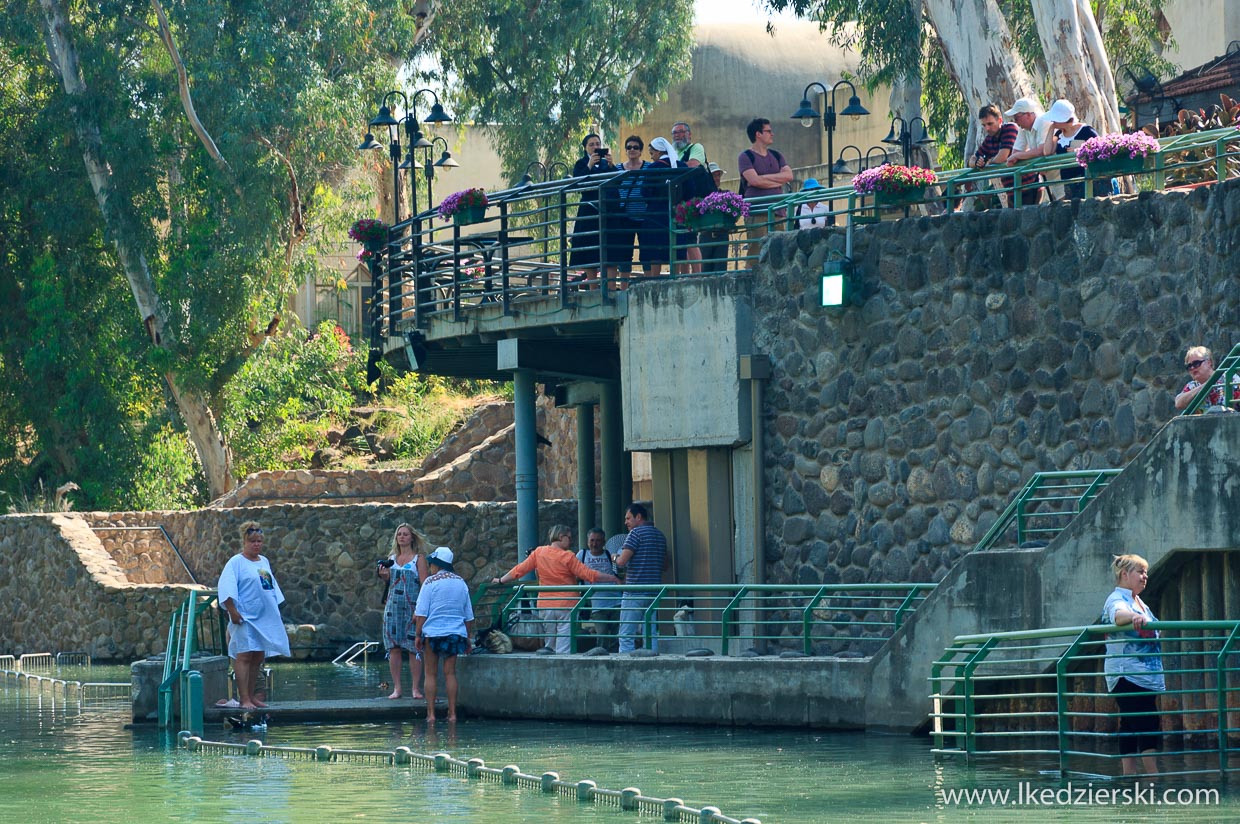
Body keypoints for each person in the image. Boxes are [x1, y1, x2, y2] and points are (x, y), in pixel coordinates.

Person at [491, 525, 619, 654]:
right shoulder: (568, 557)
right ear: (560, 537)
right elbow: (590, 575)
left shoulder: (539, 552)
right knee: (564, 645)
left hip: (546, 604)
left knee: (549, 644)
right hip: (567, 605)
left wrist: (501, 580)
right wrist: (613, 578)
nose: (570, 540)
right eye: (568, 537)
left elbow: (519, 570)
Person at [1102, 553, 1165, 775]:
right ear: (1124, 574)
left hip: (1144, 676)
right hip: (1128, 675)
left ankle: (1128, 777)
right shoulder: (1117, 599)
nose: (1145, 576)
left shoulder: (1140, 602)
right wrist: (1132, 618)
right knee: (1148, 722)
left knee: (1129, 724)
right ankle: (1153, 777)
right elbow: (1117, 615)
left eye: (1145, 572)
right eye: (1140, 571)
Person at [217, 521, 290, 709]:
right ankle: (244, 699)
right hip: (245, 617)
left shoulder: (264, 562)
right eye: (252, 541)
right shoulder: (236, 563)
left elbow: (269, 587)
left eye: (259, 541)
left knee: (258, 656)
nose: (256, 544)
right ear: (244, 541)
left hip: (263, 617)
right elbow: (226, 588)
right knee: (244, 656)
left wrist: (273, 611)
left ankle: (252, 696)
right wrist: (232, 611)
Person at [413, 547, 474, 723]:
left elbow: (421, 614)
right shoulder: (461, 582)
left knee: (430, 674)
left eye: (432, 563)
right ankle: (452, 714)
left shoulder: (430, 583)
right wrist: (467, 638)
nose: (430, 566)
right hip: (455, 633)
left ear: (437, 564)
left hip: (432, 634)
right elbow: (468, 615)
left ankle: (431, 715)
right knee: (450, 673)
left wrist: (418, 635)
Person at [376, 523, 430, 700]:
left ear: (412, 537)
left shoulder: (418, 559)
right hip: (393, 609)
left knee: (414, 648)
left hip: (412, 608)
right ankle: (397, 688)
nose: (402, 537)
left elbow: (425, 585)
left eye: (405, 534)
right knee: (394, 648)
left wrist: (421, 610)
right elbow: (389, 583)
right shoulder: (391, 558)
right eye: (399, 534)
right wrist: (385, 576)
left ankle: (415, 688)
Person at [616, 503, 670, 654]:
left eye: (628, 518)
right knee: (650, 633)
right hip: (654, 591)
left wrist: (614, 556)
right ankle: (651, 661)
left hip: (635, 590)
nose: (626, 522)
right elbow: (665, 565)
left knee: (626, 633)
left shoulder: (635, 534)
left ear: (638, 517)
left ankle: (625, 667)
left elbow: (621, 562)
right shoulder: (660, 535)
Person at [738, 118, 792, 259]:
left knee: (779, 250)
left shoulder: (776, 155)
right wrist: (777, 180)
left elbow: (789, 175)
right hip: (757, 212)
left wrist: (763, 179)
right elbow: (754, 180)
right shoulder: (745, 157)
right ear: (758, 134)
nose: (772, 134)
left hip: (778, 210)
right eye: (768, 131)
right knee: (757, 251)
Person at [568, 133, 618, 282]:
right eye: (592, 144)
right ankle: (592, 286)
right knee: (589, 248)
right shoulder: (581, 164)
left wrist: (611, 166)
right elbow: (578, 185)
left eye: (598, 144)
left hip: (607, 210)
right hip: (589, 209)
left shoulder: (605, 164)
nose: (596, 147)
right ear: (585, 148)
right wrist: (589, 166)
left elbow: (617, 183)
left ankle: (609, 285)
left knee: (608, 248)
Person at [1040, 99, 1100, 200]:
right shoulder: (1058, 135)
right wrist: (1051, 128)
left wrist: (1081, 150)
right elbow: (1047, 151)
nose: (1053, 121)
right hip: (1068, 182)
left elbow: (1100, 147)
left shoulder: (1086, 131)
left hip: (1086, 179)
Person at [608, 134, 648, 281]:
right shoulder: (617, 168)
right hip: (624, 217)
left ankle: (649, 282)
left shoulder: (649, 167)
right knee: (625, 254)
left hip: (645, 216)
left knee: (646, 251)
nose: (632, 150)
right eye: (629, 147)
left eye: (635, 147)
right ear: (625, 150)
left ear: (641, 150)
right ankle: (623, 287)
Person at [637, 137, 676, 277]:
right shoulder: (679, 165)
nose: (651, 157)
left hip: (655, 213)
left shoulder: (653, 168)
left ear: (659, 151)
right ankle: (676, 277)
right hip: (675, 213)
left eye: (652, 153)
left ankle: (655, 279)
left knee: (654, 250)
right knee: (675, 248)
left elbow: (645, 191)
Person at [576, 527, 621, 651]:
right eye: (592, 540)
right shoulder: (582, 555)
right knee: (602, 634)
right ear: (587, 541)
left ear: (604, 542)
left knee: (617, 636)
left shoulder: (609, 555)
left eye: (598, 540)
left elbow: (620, 571)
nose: (595, 544)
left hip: (616, 601)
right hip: (597, 604)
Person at [671, 121, 707, 273]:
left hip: (692, 200)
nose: (678, 136)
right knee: (681, 239)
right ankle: (684, 275)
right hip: (677, 200)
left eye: (681, 132)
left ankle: (698, 275)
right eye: (675, 133)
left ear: (689, 134)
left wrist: (675, 166)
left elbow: (693, 164)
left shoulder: (696, 148)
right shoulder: (672, 151)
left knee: (691, 238)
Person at [1001, 96, 1049, 205]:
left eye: (1017, 118)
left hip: (1059, 172)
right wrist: (1017, 156)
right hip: (1047, 175)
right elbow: (1015, 152)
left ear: (1028, 114)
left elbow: (1042, 150)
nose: (1015, 122)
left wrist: (1018, 156)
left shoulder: (1043, 121)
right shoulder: (1024, 129)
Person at [971, 104, 1018, 207]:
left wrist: (986, 163)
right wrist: (977, 163)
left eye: (990, 124)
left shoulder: (1010, 128)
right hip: (1011, 189)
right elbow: (971, 161)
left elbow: (1003, 157)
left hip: (1027, 185)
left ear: (1000, 120)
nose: (987, 128)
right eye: (984, 125)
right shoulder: (989, 139)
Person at [1174, 345, 1240, 411]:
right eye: (1189, 366)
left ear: (1209, 362)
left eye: (1196, 363)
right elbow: (1178, 403)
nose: (1192, 368)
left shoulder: (1229, 378)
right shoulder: (1192, 386)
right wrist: (1204, 386)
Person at [699, 162, 732, 273]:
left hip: (722, 234)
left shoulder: (726, 195)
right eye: (714, 175)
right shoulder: (701, 196)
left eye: (719, 175)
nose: (717, 178)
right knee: (705, 269)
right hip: (706, 234)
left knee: (721, 268)